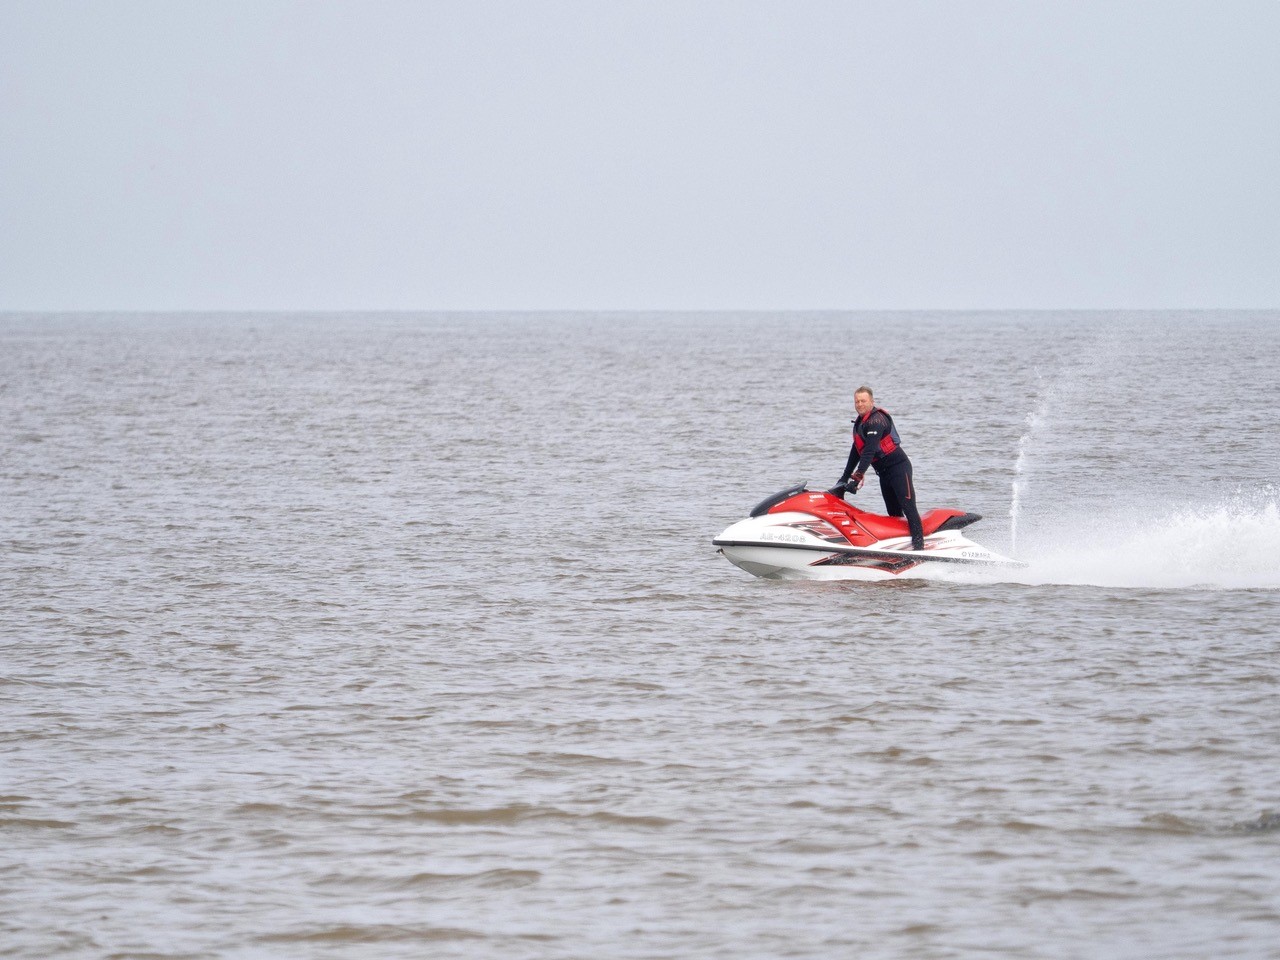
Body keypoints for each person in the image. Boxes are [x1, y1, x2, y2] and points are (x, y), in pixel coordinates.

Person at [830, 386, 925, 550]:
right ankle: (903, 546)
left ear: (872, 402)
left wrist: (858, 476)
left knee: (908, 508)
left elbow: (870, 450)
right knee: (894, 513)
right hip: (884, 474)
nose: (860, 404)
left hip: (899, 469)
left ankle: (920, 549)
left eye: (863, 401)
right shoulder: (860, 423)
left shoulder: (877, 421)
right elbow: (856, 450)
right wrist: (844, 478)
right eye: (857, 401)